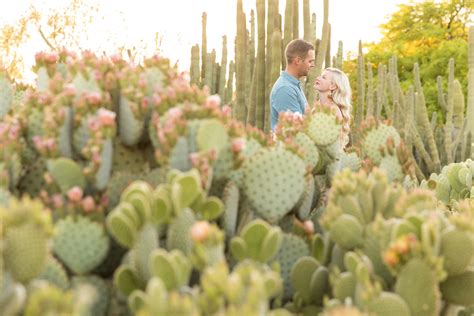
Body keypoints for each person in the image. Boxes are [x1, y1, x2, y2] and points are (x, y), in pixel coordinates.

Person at [270, 39, 315, 131]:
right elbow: (298, 130)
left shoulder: (294, 85)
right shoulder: (285, 89)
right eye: (310, 61)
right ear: (298, 61)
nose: (313, 65)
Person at [314, 67, 352, 147]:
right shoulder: (318, 105)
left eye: (323, 77)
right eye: (320, 76)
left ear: (332, 86)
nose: (317, 78)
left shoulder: (333, 110)